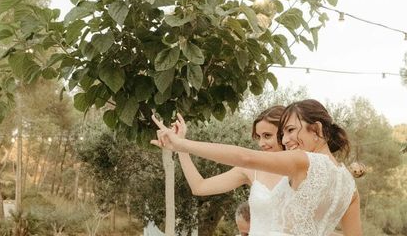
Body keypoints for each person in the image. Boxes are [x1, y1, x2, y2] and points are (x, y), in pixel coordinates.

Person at [152, 99, 362, 236]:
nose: (286, 139)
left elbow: (244, 157)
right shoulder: (349, 186)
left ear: (316, 129)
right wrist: (181, 149)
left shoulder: (302, 162)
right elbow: (200, 187)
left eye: (289, 130)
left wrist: (181, 144)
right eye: (284, 133)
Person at [174, 106, 289, 235]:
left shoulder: (305, 165)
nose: (261, 143)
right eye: (258, 137)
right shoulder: (251, 169)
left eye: (267, 136)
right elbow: (199, 187)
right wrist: (180, 145)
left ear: (284, 133)